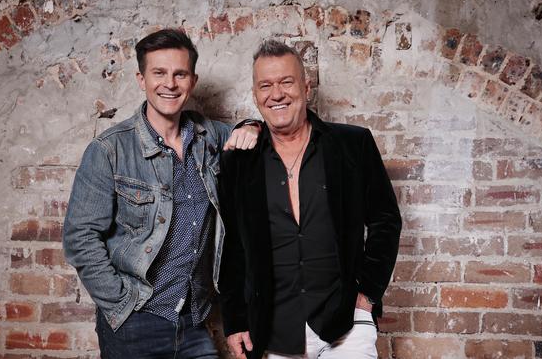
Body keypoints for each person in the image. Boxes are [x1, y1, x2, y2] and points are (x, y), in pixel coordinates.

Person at [62, 28, 259, 359]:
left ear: (192, 81)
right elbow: (80, 238)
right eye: (159, 73)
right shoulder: (110, 150)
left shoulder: (210, 136)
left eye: (179, 74)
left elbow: (251, 131)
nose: (170, 83)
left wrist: (252, 127)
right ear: (141, 79)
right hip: (134, 324)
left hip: (194, 321)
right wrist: (121, 306)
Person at [218, 40, 401, 359]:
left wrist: (368, 294)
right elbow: (233, 245)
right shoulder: (240, 161)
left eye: (286, 82)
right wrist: (235, 321)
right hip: (276, 329)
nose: (276, 94)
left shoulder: (352, 144)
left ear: (306, 86)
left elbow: (386, 220)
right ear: (255, 95)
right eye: (266, 85)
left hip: (346, 323)